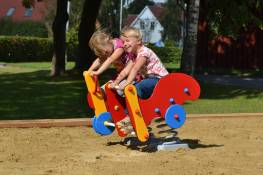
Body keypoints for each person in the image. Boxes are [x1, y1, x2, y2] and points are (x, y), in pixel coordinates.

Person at [111, 27, 169, 134]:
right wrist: (115, 83)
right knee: (131, 90)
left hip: (160, 81)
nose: (124, 44)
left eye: (127, 41)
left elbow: (135, 69)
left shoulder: (144, 52)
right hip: (150, 80)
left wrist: (127, 84)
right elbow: (125, 71)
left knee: (135, 88)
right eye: (123, 42)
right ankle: (131, 117)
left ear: (138, 41)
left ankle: (131, 118)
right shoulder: (134, 56)